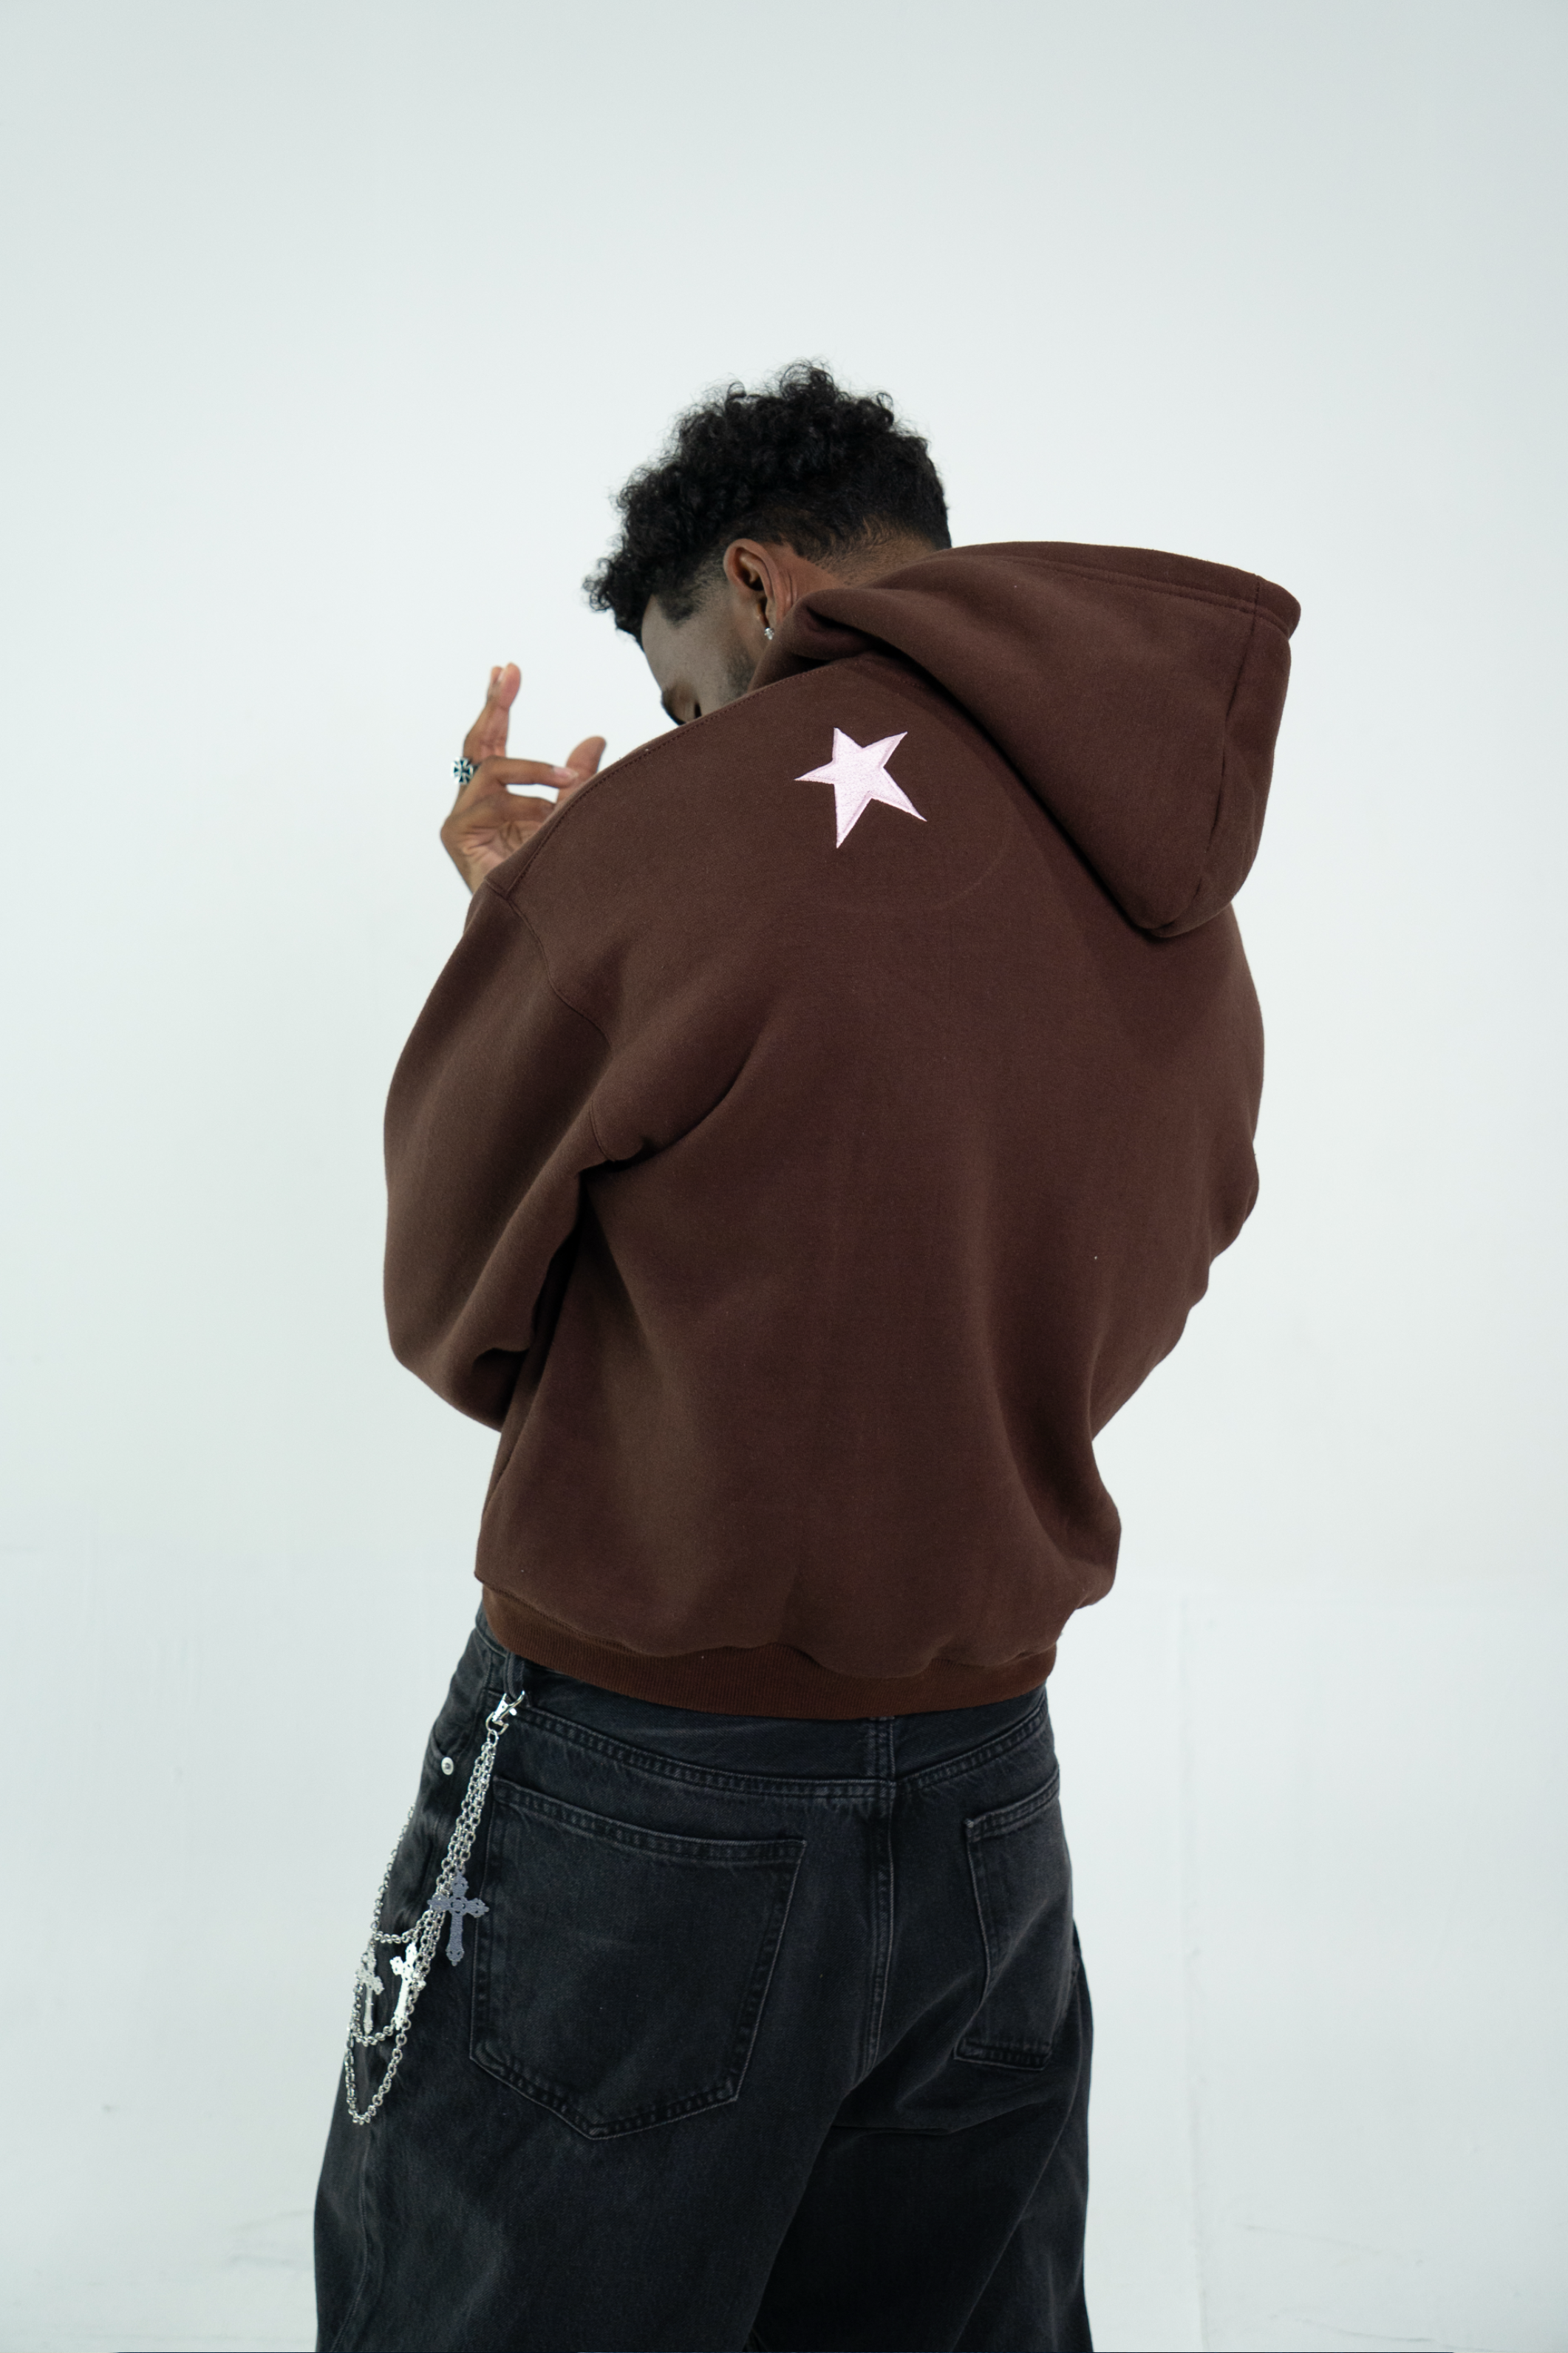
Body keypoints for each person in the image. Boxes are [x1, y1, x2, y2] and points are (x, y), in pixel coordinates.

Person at [313, 363, 1298, 2353]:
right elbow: (1175, 1230)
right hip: (988, 1785)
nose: (697, 740)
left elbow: (449, 1302)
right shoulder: (1169, 875)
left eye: (688, 693)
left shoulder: (672, 840)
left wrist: (535, 924)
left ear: (760, 584)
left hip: (646, 1768)